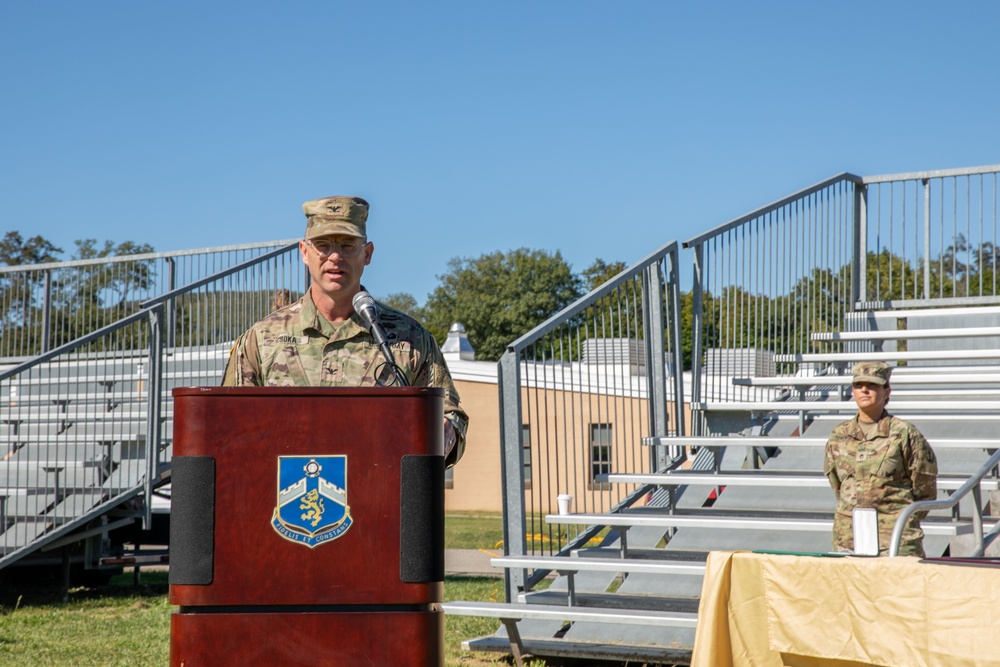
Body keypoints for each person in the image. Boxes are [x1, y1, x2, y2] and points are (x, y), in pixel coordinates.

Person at [222, 195, 468, 466]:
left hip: (379, 498)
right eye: (323, 245)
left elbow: (450, 416)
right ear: (304, 252)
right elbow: (228, 424)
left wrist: (446, 430)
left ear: (367, 254)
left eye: (348, 245)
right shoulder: (262, 339)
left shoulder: (410, 339)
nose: (335, 257)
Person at [823, 361, 937, 556]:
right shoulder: (839, 435)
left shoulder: (904, 433)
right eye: (859, 385)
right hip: (849, 536)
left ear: (887, 391)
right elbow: (837, 484)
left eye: (873, 385)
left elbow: (924, 488)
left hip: (895, 538)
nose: (864, 390)